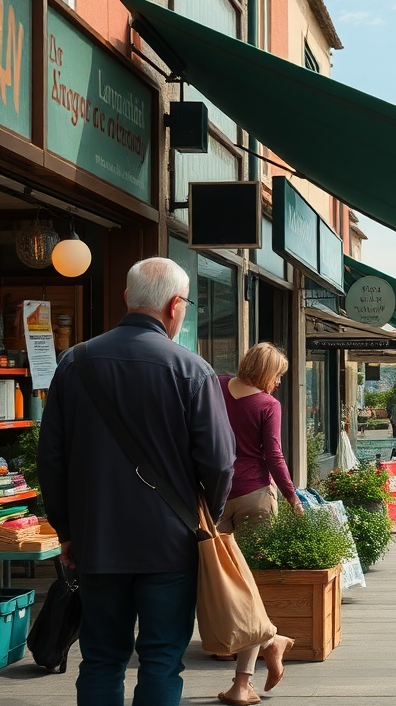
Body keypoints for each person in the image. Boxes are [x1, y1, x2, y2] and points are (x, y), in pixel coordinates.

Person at [36, 257, 237, 706]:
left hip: (97, 541)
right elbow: (221, 463)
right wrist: (209, 516)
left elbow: (51, 459)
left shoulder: (75, 363)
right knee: (162, 659)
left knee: (101, 659)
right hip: (170, 544)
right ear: (173, 307)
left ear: (128, 298)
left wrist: (66, 531)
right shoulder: (192, 370)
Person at [215, 342, 298, 704]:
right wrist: (293, 498)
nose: (278, 382)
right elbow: (274, 455)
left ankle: (254, 660)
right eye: (278, 375)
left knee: (217, 582)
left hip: (213, 498)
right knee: (251, 587)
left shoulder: (216, 387)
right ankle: (245, 677)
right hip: (255, 498)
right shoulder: (268, 405)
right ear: (266, 372)